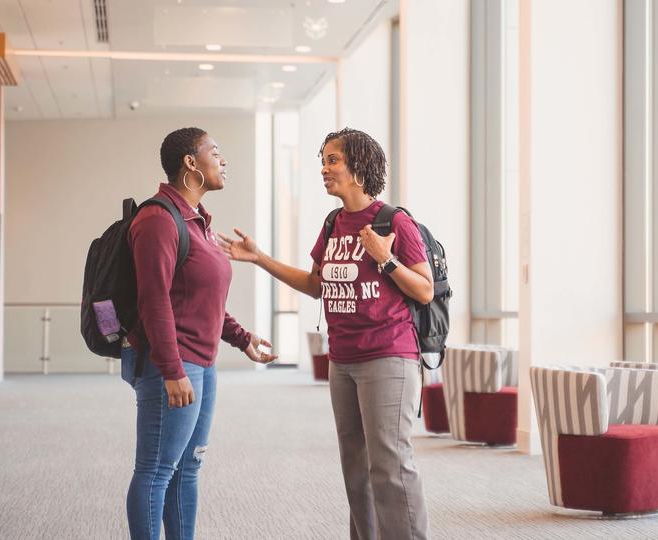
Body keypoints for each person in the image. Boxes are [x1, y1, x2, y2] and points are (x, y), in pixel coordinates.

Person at [219, 128, 433, 539]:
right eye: (324, 159)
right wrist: (259, 258)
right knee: (356, 467)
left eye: (333, 160)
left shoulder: (394, 221)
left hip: (388, 355)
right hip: (344, 359)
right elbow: (316, 284)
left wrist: (386, 260)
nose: (324, 168)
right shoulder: (334, 222)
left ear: (358, 168)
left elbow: (423, 289)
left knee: (390, 464)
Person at [124, 127, 277, 540]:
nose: (223, 159)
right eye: (215, 151)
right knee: (156, 469)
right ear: (190, 163)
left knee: (187, 466)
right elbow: (153, 301)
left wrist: (243, 339)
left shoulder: (200, 222)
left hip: (203, 365)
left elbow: (202, 302)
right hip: (172, 365)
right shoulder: (158, 219)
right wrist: (172, 369)